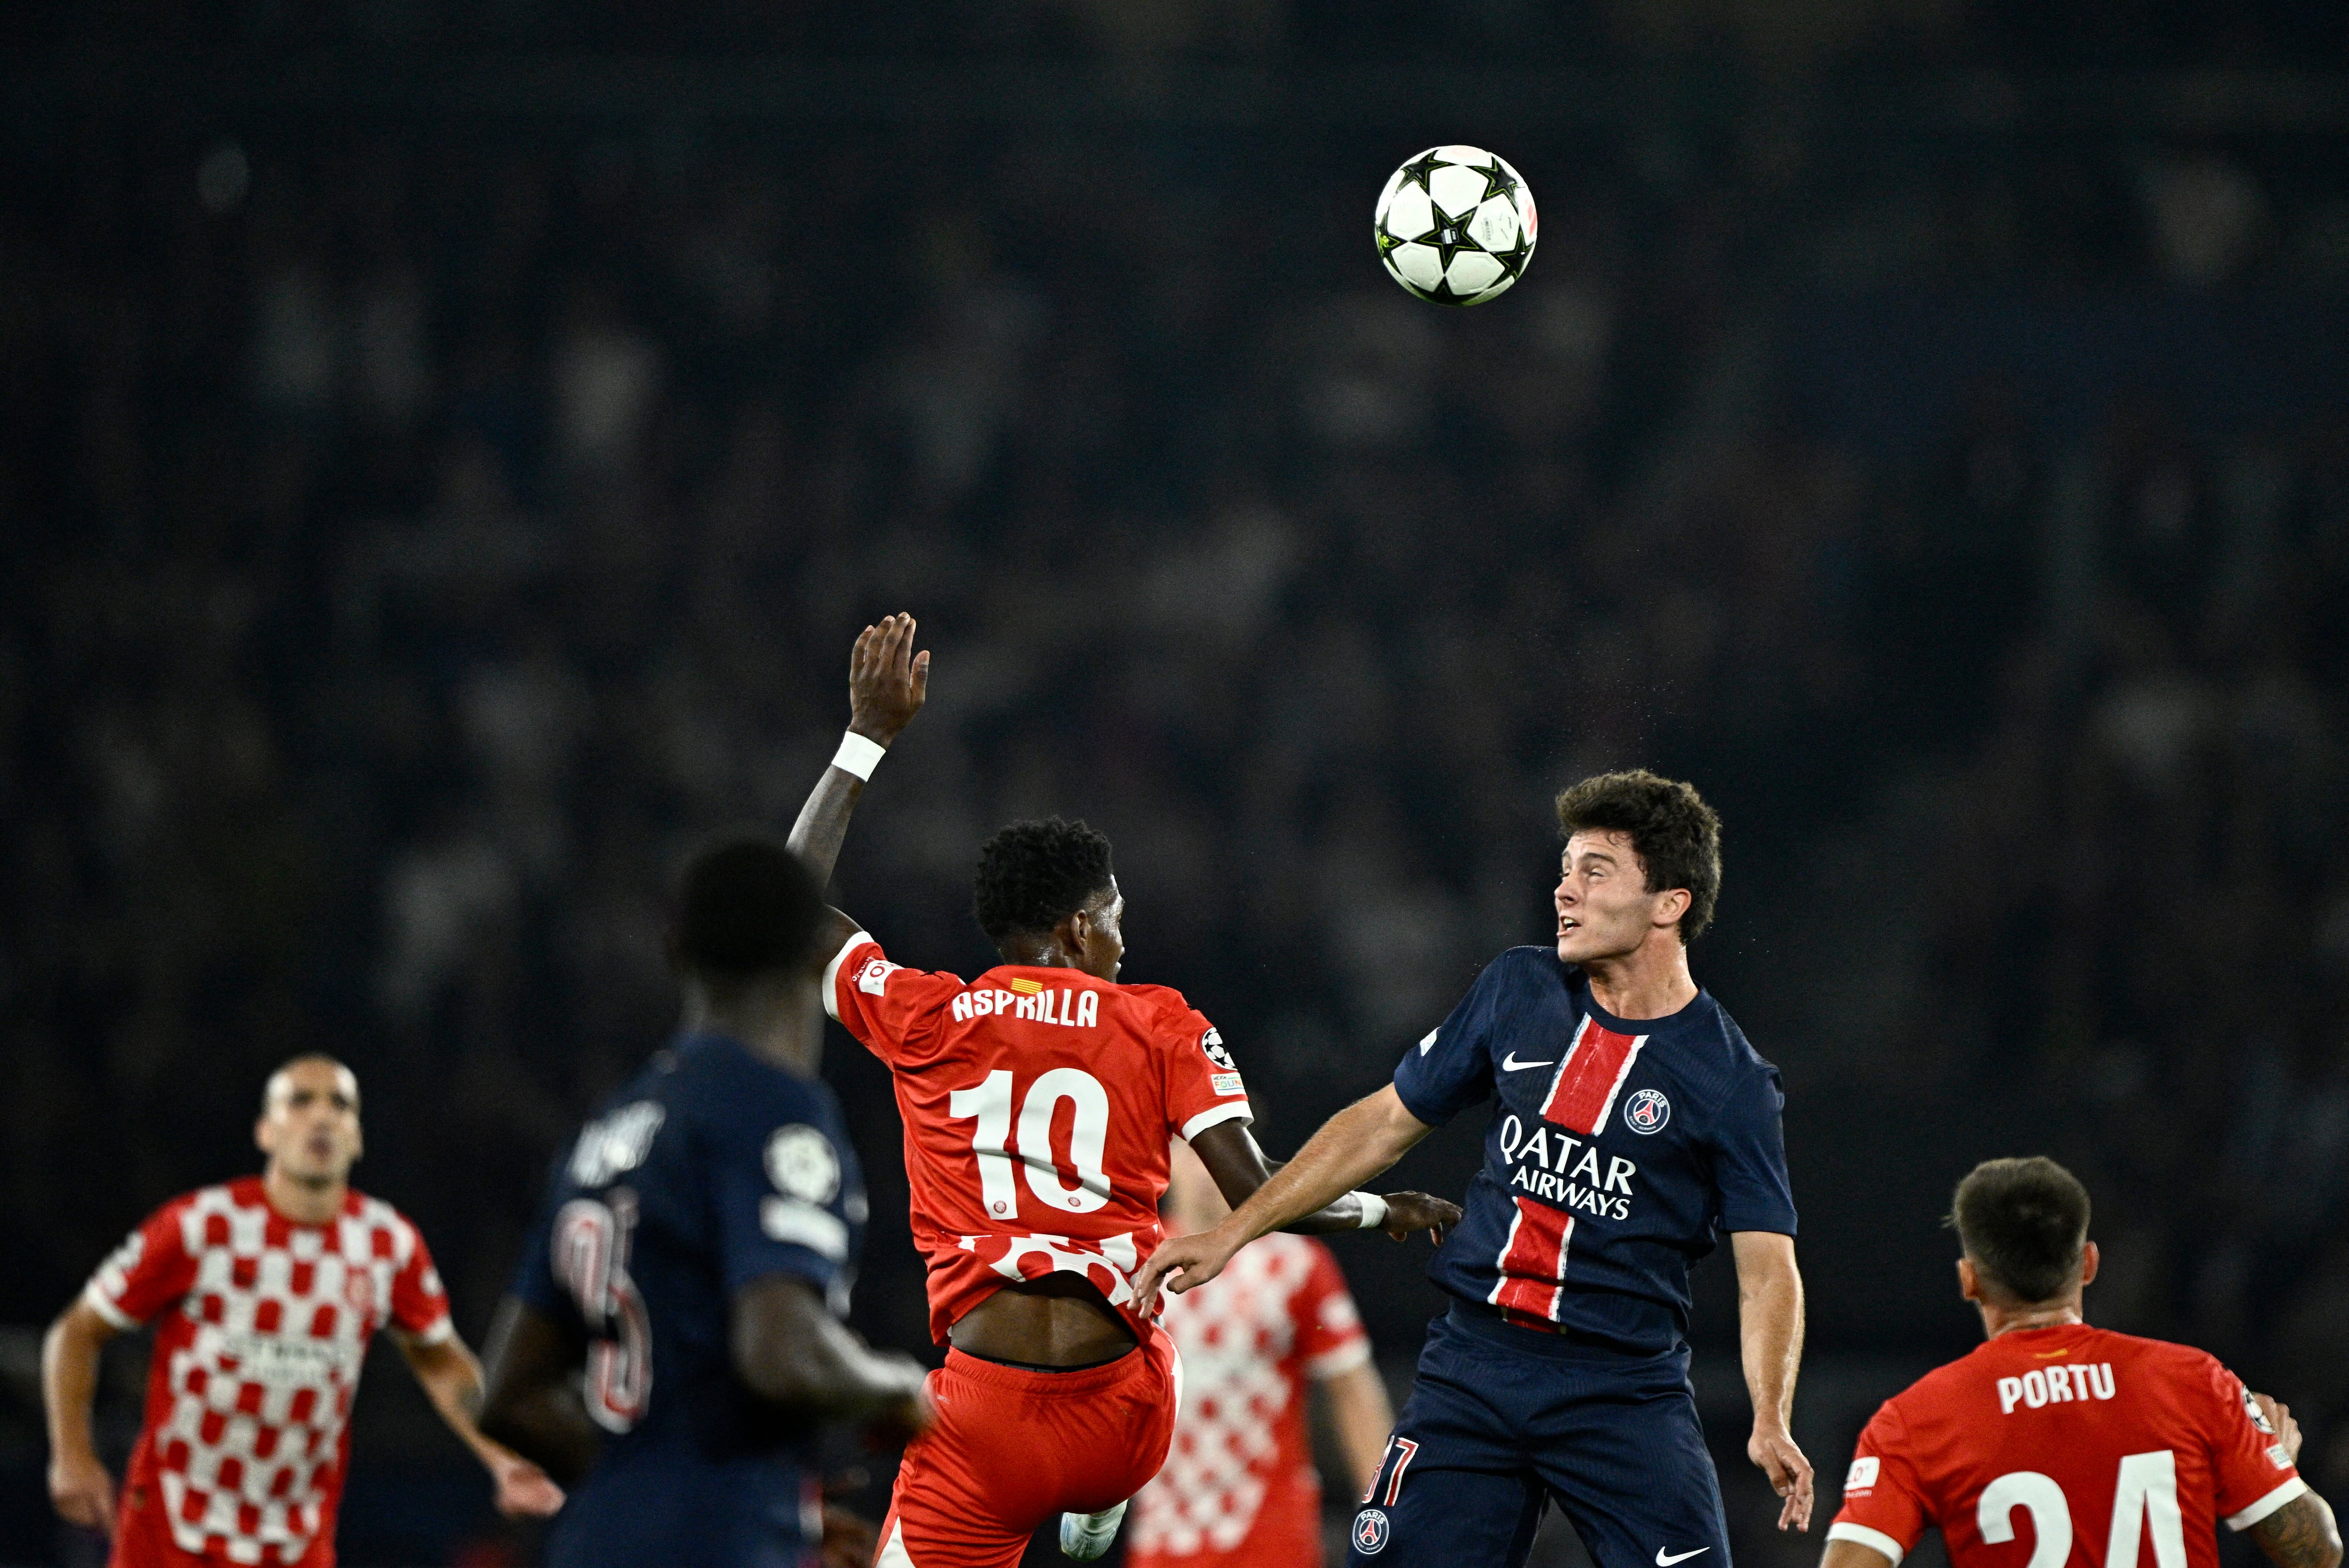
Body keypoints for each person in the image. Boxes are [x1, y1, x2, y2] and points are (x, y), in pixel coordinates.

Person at [783, 613, 1458, 1568]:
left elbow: (784, 908)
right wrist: (1376, 1208)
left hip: (983, 1418)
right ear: (1070, 930)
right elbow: (1251, 1185)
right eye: (1113, 919)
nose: (1123, 941)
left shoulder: (928, 1016)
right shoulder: (1158, 1021)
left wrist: (866, 736)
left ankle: (1074, 1495)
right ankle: (1097, 1498)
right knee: (1146, 1357)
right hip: (1123, 1416)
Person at [1136, 769, 1813, 1568]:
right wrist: (1235, 1229)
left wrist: (1770, 1412)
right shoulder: (1517, 987)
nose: (1564, 890)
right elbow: (1384, 1123)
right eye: (1565, 869)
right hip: (1476, 1366)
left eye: (1594, 871)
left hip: (1621, 1386)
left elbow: (1768, 1269)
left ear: (1670, 902)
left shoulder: (1731, 1079)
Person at [476, 836, 930, 1568]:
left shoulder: (609, 1127)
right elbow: (780, 1351)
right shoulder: (774, 1108)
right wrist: (898, 1386)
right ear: (818, 953)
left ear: (675, 947)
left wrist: (645, 1491)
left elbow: (507, 1394)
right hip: (723, 1543)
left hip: (592, 1543)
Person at [41, 1056, 563, 1568]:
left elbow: (441, 1361)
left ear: (357, 1137)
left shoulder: (388, 1244)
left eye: (339, 1104)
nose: (321, 1116)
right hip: (173, 1528)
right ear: (266, 1131)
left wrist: (501, 1455)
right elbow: (76, 1331)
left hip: (295, 1540)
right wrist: (71, 1453)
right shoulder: (201, 1226)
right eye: (300, 1101)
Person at [1820, 1157, 2342, 1568]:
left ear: (1968, 1278)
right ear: (2088, 1262)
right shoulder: (2193, 1380)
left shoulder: (1913, 1420)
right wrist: (2274, 1464)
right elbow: (2317, 1552)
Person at [1125, 1138, 1395, 1568]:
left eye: (1222, 1148)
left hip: (1272, 1537)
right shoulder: (1133, 1264)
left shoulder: (1294, 1263)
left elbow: (1356, 1396)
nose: (1207, 1168)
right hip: (1162, 1537)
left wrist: (1385, 1526)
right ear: (1165, 1156)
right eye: (1194, 1149)